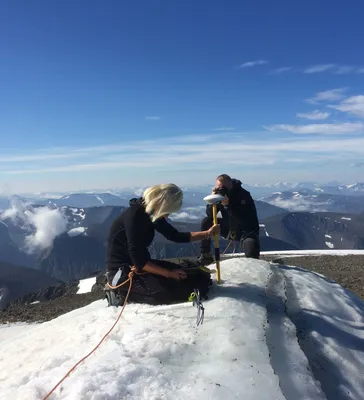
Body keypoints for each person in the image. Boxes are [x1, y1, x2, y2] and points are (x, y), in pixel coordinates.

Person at [105, 183, 220, 306]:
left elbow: (174, 235)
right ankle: (118, 292)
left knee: (197, 276)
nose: (168, 214)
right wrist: (169, 274)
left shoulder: (151, 213)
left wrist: (208, 234)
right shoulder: (134, 217)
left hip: (140, 265)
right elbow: (139, 261)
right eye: (169, 210)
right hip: (121, 272)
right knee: (171, 291)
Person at [197, 174, 260, 265]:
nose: (221, 190)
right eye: (219, 188)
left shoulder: (243, 195)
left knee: (251, 248)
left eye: (223, 188)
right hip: (227, 227)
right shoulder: (220, 195)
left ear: (230, 186)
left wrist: (228, 206)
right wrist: (213, 201)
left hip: (246, 231)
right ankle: (205, 255)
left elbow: (245, 221)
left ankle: (255, 266)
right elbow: (210, 215)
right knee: (206, 221)